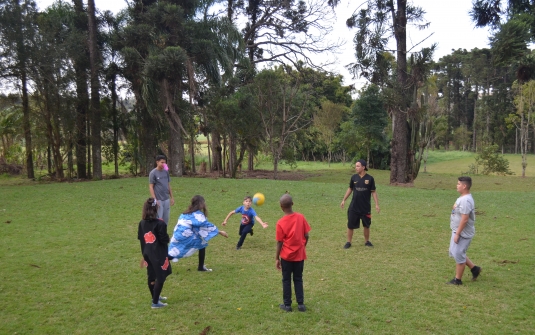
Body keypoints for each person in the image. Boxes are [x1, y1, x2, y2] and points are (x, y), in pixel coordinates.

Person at [168, 195, 228, 272]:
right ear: (201, 204)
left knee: (176, 250)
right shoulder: (198, 215)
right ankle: (200, 267)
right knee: (200, 244)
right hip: (185, 235)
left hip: (177, 234)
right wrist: (220, 232)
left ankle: (159, 260)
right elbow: (206, 225)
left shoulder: (186, 212)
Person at [275, 194, 311, 312]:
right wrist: (302, 247)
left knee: (286, 279)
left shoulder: (280, 222)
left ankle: (287, 305)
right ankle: (301, 304)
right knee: (298, 278)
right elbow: (306, 235)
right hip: (299, 255)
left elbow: (279, 242)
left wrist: (276, 258)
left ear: (281, 206)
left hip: (286, 256)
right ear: (292, 204)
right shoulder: (301, 217)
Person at [138, 198, 172, 309]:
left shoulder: (142, 223)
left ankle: (155, 297)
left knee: (151, 275)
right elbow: (163, 239)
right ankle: (155, 302)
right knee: (160, 277)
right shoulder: (160, 223)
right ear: (156, 208)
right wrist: (168, 239)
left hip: (147, 253)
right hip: (158, 254)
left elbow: (141, 238)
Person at [447, 176, 482, 285]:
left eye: (458, 184)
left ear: (464, 186)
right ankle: (474, 269)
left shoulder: (466, 200)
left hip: (463, 233)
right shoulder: (463, 197)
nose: (456, 186)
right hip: (457, 230)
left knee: (458, 253)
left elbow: (465, 219)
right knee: (454, 252)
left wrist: (458, 233)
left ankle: (458, 280)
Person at [340, 159, 380, 248]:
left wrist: (377, 204)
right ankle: (348, 242)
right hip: (354, 207)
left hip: (365, 207)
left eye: (358, 166)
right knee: (350, 225)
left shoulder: (370, 178)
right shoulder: (354, 177)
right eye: (356, 166)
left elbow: (373, 192)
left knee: (366, 225)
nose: (356, 168)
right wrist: (344, 200)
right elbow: (350, 189)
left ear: (363, 167)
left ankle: (367, 241)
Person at [149, 155, 174, 225]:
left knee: (166, 219)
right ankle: (157, 234)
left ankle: (164, 234)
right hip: (158, 200)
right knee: (159, 219)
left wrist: (172, 197)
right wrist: (155, 199)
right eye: (162, 162)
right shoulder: (153, 173)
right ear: (157, 162)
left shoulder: (166, 172)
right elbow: (151, 187)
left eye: (165, 162)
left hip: (166, 199)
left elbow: (168, 185)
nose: (164, 164)